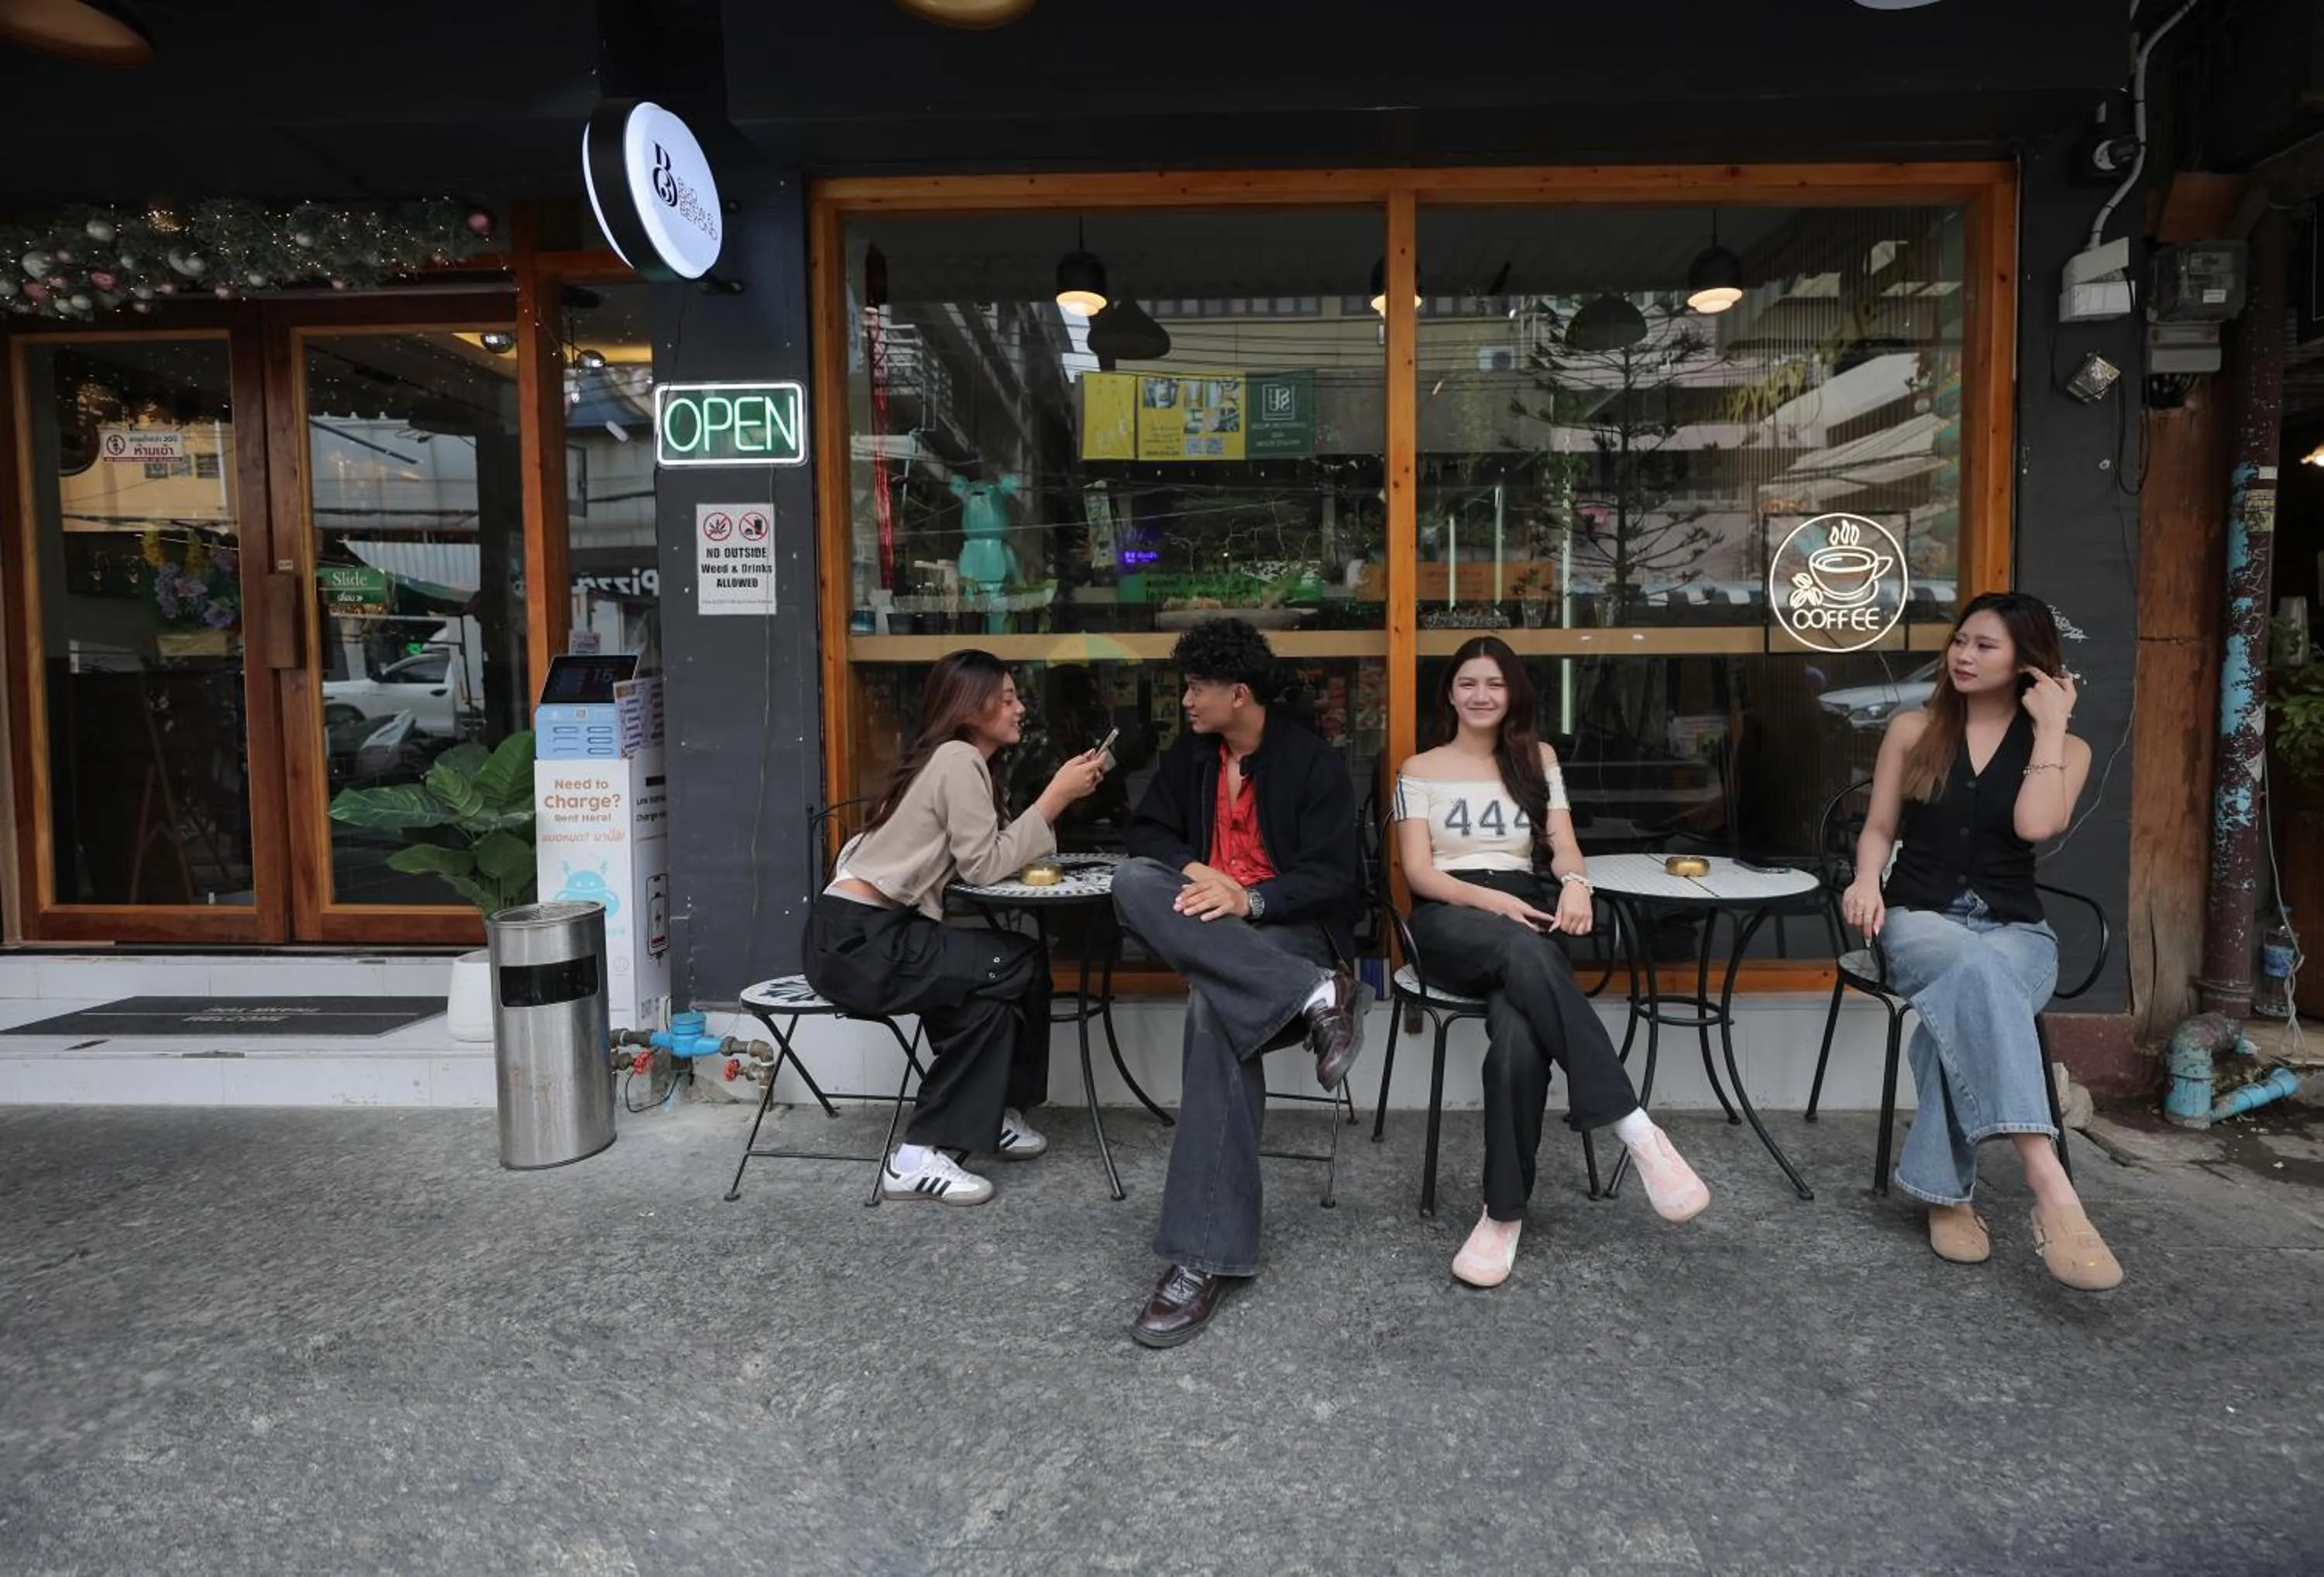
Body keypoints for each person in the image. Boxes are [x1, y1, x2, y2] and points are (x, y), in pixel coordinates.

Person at [1394, 636, 1711, 1289]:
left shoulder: (1536, 760)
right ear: (1450, 692)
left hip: (1527, 906)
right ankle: (1635, 1125)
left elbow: (1563, 847)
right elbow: (1419, 873)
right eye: (1468, 683)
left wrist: (1575, 885)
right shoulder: (1419, 768)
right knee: (1521, 947)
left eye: (1496, 684)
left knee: (1517, 1038)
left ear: (1514, 693)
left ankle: (1501, 1215)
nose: (1482, 696)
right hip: (1452, 915)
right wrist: (1491, 903)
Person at [1841, 591, 2119, 1290]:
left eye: (1985, 646)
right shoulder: (1913, 729)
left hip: (2017, 931)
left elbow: (2034, 826)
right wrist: (1868, 881)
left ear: (2029, 661)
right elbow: (1878, 830)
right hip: (1918, 922)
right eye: (1960, 641)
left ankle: (1948, 1195)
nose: (1963, 655)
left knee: (1960, 1002)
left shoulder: (2071, 749)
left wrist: (2050, 729)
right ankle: (2049, 1183)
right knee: (1966, 971)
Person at [1111, 617, 1367, 1349]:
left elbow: (1334, 879)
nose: (1187, 700)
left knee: (1211, 1013)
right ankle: (1314, 997)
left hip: (1290, 930)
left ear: (1240, 692)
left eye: (1197, 687)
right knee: (1130, 882)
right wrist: (1207, 878)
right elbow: (1147, 839)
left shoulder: (1313, 764)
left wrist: (1251, 900)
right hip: (1218, 927)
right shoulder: (1190, 758)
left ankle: (1199, 1260)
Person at [803, 651, 1108, 1206]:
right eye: (1008, 698)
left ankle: (991, 1117)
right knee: (1015, 961)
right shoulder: (957, 758)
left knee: (991, 995)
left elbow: (987, 853)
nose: (1020, 708)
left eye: (1019, 697)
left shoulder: (960, 762)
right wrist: (1056, 798)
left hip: (859, 935)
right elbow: (984, 866)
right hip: (864, 942)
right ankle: (917, 1156)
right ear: (972, 707)